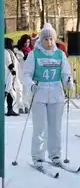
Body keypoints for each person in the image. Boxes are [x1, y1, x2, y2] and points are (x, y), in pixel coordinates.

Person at [21, 23, 72, 169]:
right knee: (40, 128)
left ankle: (55, 155)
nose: (49, 42)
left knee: (55, 128)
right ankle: (38, 157)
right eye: (46, 39)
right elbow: (26, 74)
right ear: (41, 40)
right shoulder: (34, 54)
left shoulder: (60, 54)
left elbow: (65, 73)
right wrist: (31, 85)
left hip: (56, 94)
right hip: (39, 93)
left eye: (51, 39)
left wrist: (68, 81)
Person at [5, 38, 22, 116]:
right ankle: (9, 109)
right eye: (11, 43)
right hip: (8, 75)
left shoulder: (10, 51)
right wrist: (12, 70)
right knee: (7, 91)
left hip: (11, 75)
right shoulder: (5, 51)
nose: (12, 45)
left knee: (9, 92)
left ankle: (10, 109)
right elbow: (8, 61)